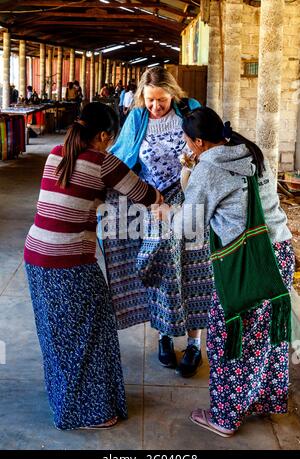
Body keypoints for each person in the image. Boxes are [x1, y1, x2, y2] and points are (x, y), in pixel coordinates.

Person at [155, 106, 295, 436]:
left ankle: (225, 417)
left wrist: (165, 212)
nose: (188, 149)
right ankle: (264, 401)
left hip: (246, 263)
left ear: (199, 141)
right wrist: (194, 175)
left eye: (189, 143)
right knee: (265, 335)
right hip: (279, 253)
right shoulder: (251, 150)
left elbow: (186, 227)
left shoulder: (209, 169)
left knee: (229, 339)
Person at [24, 102, 162, 430]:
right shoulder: (103, 162)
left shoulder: (57, 152)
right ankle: (91, 412)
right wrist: (164, 196)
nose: (110, 144)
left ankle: (66, 400)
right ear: (103, 135)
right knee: (92, 334)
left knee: (58, 334)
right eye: (110, 139)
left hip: (35, 256)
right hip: (68, 263)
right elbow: (144, 194)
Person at [102, 66, 214, 378]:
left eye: (161, 100)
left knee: (194, 270)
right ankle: (164, 336)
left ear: (173, 94)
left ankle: (194, 344)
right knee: (160, 271)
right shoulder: (137, 118)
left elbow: (211, 149)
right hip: (153, 204)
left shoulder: (190, 111)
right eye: (149, 101)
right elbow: (120, 160)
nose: (155, 106)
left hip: (190, 201)